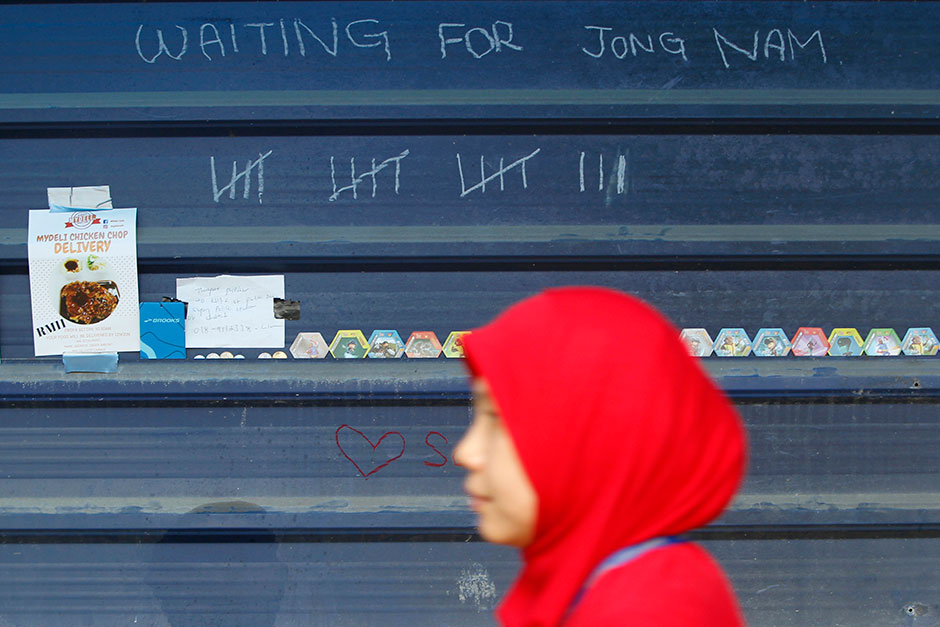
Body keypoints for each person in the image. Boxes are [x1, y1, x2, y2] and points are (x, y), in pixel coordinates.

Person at [454, 287, 747, 626]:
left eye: (496, 418)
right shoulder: (630, 585)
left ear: (591, 442)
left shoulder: (645, 614)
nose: (466, 452)